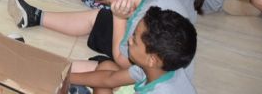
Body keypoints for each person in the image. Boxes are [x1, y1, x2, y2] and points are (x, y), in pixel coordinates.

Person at [9, 0, 199, 75]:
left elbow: (123, 61)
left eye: (108, 1)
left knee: (105, 68)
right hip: (162, 50)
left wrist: (119, 17)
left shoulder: (147, 18)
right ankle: (35, 16)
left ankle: (32, 66)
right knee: (102, 16)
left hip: (156, 69)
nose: (109, 5)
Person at [69, 7, 197, 94]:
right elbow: (109, 78)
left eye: (134, 39)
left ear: (152, 59)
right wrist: (68, 77)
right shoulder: (156, 69)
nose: (129, 40)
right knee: (107, 66)